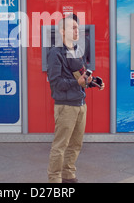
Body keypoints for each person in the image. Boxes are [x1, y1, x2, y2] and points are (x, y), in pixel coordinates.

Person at [46, 14, 104, 183]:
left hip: (80, 104)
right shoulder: (55, 53)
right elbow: (56, 82)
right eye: (72, 28)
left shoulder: (76, 50)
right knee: (60, 146)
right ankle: (54, 179)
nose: (77, 30)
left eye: (77, 28)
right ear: (62, 31)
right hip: (66, 106)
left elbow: (81, 77)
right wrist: (76, 82)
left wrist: (93, 82)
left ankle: (68, 175)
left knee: (75, 145)